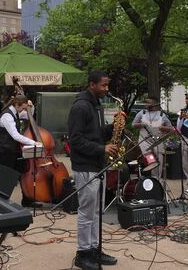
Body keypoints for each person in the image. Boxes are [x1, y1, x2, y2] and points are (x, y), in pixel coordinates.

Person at [67, 70, 118, 270]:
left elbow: (95, 134)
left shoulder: (95, 105)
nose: (107, 89)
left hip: (97, 165)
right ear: (92, 85)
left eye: (107, 85)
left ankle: (95, 248)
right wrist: (101, 148)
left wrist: (114, 127)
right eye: (103, 85)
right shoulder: (81, 107)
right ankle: (82, 253)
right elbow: (75, 139)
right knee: (86, 212)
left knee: (97, 211)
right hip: (85, 166)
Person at [0, 95, 42, 206]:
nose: (23, 110)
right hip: (5, 151)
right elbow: (15, 135)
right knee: (6, 177)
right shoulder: (7, 115)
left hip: (13, 149)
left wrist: (31, 106)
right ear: (17, 105)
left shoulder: (16, 111)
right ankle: (1, 202)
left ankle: (27, 200)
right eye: (23, 108)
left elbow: (28, 115)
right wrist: (33, 142)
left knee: (23, 172)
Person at [131, 95, 172, 179]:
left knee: (159, 160)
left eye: (148, 103)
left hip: (158, 141)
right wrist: (141, 124)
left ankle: (157, 179)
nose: (146, 104)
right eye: (146, 102)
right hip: (144, 140)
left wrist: (162, 127)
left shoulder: (162, 115)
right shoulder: (142, 113)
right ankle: (151, 177)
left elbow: (170, 128)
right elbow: (133, 125)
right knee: (151, 159)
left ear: (155, 104)